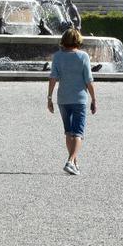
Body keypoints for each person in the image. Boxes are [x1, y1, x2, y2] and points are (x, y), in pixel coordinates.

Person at [47, 28, 97, 175]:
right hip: (79, 99)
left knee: (69, 132)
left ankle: (74, 162)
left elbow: (53, 78)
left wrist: (49, 98)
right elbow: (89, 80)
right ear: (78, 40)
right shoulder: (83, 56)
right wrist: (94, 99)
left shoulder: (57, 56)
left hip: (63, 98)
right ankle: (70, 161)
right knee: (78, 133)